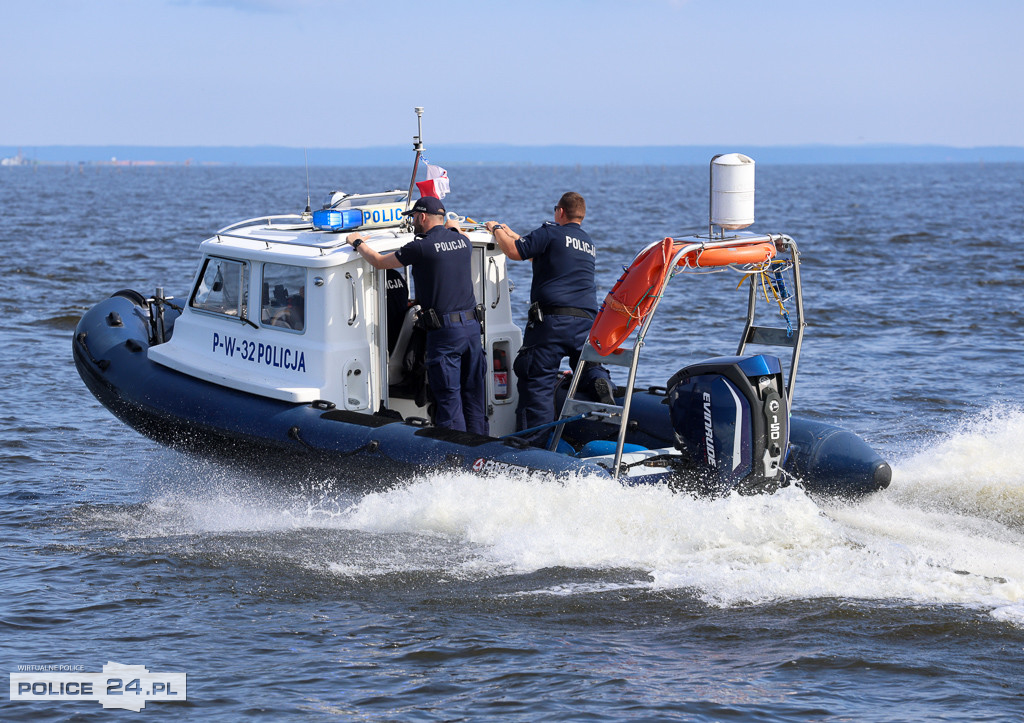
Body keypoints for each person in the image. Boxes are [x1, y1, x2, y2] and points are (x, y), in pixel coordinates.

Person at [347, 196, 488, 435]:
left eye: (413, 217)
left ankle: (456, 457)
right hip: (473, 330)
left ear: (422, 217)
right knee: (474, 395)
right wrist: (452, 223)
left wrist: (357, 242)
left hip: (446, 335)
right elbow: (454, 229)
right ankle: (481, 452)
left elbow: (380, 262)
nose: (413, 221)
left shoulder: (420, 247)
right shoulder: (463, 242)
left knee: (448, 399)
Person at [485, 192, 613, 442]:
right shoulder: (587, 243)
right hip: (586, 322)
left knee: (537, 380)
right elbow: (536, 252)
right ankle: (600, 380)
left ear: (561, 212)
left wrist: (497, 228)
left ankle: (535, 444)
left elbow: (513, 252)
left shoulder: (551, 232)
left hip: (553, 323)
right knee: (586, 365)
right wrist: (511, 234)